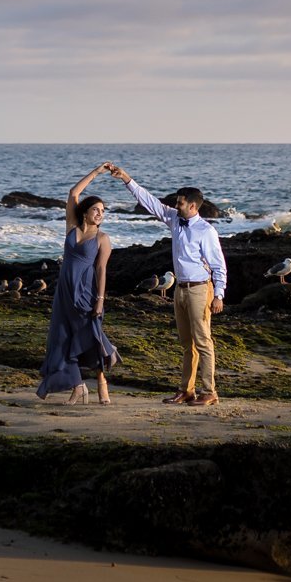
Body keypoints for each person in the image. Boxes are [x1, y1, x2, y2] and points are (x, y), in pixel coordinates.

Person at [108, 164, 226, 406]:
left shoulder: (206, 231)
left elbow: (219, 265)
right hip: (180, 289)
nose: (176, 206)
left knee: (203, 341)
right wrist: (127, 179)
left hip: (201, 289)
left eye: (181, 203)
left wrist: (219, 295)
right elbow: (151, 202)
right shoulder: (174, 219)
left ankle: (210, 391)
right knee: (186, 343)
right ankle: (186, 390)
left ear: (192, 206)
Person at [36, 162, 121, 405]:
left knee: (89, 338)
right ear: (84, 212)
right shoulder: (71, 228)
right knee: (61, 339)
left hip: (86, 294)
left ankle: (102, 382)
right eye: (96, 209)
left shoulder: (103, 239)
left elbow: (101, 270)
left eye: (103, 211)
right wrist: (96, 172)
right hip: (63, 293)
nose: (100, 213)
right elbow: (74, 193)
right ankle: (78, 386)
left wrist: (100, 300)